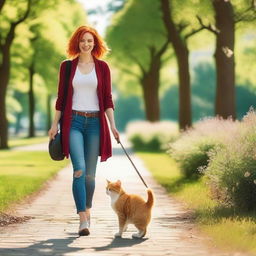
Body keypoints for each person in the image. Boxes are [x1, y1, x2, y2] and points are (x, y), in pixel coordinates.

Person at [48, 25, 120, 236]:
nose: (86, 44)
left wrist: (113, 126)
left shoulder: (103, 67)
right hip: (74, 122)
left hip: (96, 124)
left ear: (95, 43)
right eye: (82, 41)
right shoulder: (67, 67)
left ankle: (88, 211)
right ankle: (82, 219)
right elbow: (61, 98)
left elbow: (107, 98)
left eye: (90, 41)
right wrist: (54, 125)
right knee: (78, 170)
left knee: (90, 175)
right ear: (76, 43)